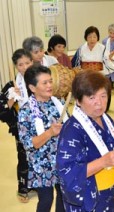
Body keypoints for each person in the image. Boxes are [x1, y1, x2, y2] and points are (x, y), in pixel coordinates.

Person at [56, 70, 114, 211]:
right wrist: (102, 162)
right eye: (92, 97)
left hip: (106, 195)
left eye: (103, 96)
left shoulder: (106, 119)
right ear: (78, 101)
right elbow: (67, 172)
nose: (99, 103)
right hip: (87, 200)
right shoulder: (72, 131)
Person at [18, 64, 68, 212]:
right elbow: (28, 144)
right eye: (44, 83)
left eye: (51, 81)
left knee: (63, 195)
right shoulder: (26, 111)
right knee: (46, 200)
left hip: (62, 159)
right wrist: (49, 133)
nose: (50, 85)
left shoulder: (58, 103)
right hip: (42, 163)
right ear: (32, 88)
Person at [0, 49, 33, 203]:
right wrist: (11, 100)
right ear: (16, 67)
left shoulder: (40, 80)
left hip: (40, 126)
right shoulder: (10, 85)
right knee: (24, 157)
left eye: (27, 63)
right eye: (21, 64)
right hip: (21, 128)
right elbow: (2, 113)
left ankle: (38, 183)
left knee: (39, 155)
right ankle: (23, 187)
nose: (25, 67)